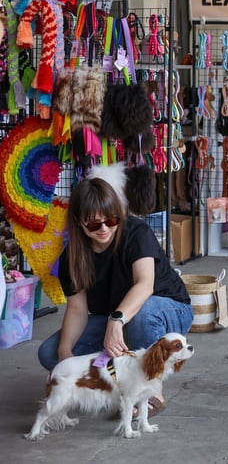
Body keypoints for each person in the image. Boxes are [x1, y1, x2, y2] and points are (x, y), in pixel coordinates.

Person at [38, 177, 194, 414]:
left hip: (167, 309)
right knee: (50, 353)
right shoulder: (72, 256)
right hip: (117, 318)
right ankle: (122, 381)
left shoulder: (136, 233)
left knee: (143, 314)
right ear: (79, 223)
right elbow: (77, 310)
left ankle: (152, 391)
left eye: (111, 220)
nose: (104, 229)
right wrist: (65, 355)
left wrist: (116, 319)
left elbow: (145, 285)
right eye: (94, 224)